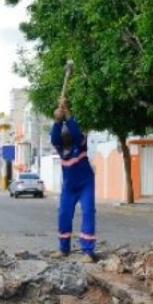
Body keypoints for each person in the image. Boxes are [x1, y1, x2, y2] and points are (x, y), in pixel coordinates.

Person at [51, 96, 96, 263]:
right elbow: (54, 137)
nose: (66, 137)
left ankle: (88, 251)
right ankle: (64, 248)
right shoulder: (60, 146)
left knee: (88, 213)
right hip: (69, 187)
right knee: (64, 214)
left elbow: (76, 132)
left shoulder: (81, 143)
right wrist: (57, 120)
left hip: (86, 184)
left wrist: (67, 114)